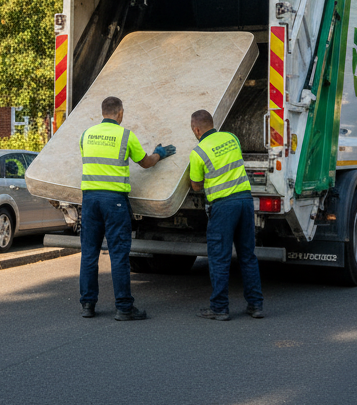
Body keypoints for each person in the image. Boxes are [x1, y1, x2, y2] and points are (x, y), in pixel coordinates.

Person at [78, 96, 175, 321]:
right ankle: (123, 307)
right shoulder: (125, 136)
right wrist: (160, 153)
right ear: (120, 113)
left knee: (89, 254)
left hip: (90, 199)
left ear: (102, 112)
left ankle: (88, 305)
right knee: (119, 254)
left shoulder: (86, 135)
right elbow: (146, 162)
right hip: (114, 201)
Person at [188, 109, 264, 321]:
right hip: (245, 201)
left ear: (196, 129)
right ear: (212, 123)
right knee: (247, 255)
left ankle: (220, 308)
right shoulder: (232, 138)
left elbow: (196, 186)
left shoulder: (198, 152)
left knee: (219, 258)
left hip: (223, 207)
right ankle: (256, 305)